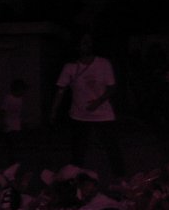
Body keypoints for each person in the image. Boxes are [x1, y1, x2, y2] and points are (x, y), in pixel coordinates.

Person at [50, 31, 125, 179]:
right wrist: (53, 110)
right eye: (84, 42)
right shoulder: (70, 67)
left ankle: (120, 177)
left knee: (111, 146)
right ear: (77, 46)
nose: (87, 45)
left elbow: (112, 87)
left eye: (89, 42)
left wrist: (98, 101)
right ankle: (74, 180)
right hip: (79, 114)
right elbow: (61, 90)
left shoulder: (103, 63)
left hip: (103, 114)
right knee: (78, 149)